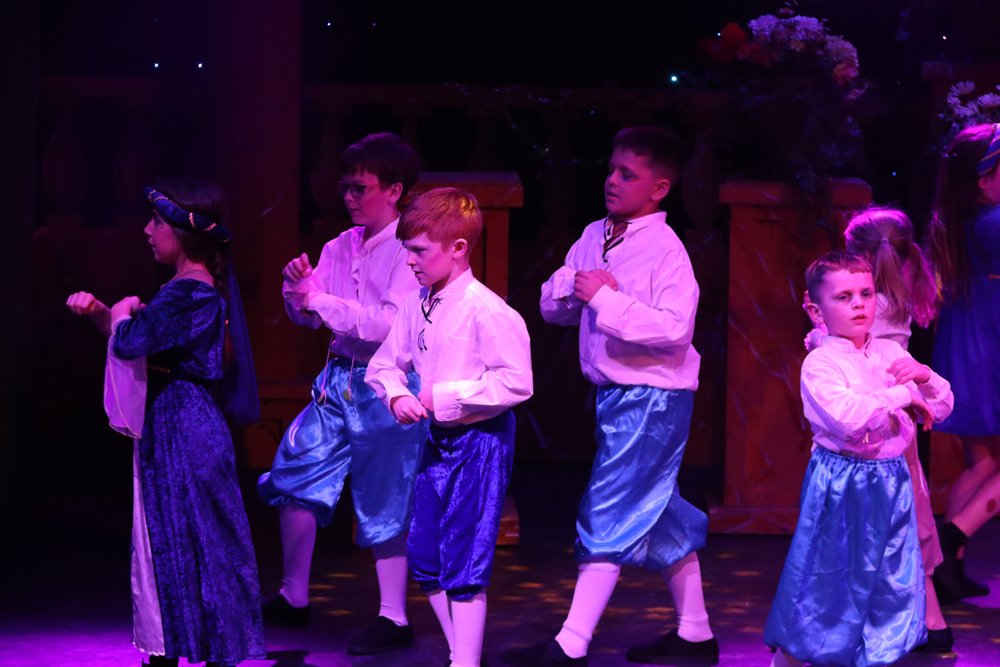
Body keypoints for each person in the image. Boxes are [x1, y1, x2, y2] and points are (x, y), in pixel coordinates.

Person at [503, 126, 717, 666]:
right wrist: (577, 288)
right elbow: (553, 305)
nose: (612, 180)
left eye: (628, 174)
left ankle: (571, 642)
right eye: (612, 169)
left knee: (608, 506)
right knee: (657, 511)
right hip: (615, 397)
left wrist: (605, 300)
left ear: (659, 188)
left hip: (653, 398)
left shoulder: (667, 250)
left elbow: (675, 329)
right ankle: (696, 633)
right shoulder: (593, 234)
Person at [66, 179, 265, 667]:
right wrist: (104, 313)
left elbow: (131, 339)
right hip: (175, 421)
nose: (147, 230)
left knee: (194, 537)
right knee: (176, 536)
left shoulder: (192, 293)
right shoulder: (181, 291)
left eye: (157, 222)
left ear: (184, 229)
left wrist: (121, 312)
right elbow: (138, 341)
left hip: (185, 427)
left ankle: (195, 649)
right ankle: (173, 645)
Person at [256, 132, 428, 654]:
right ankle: (294, 596)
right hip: (337, 379)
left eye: (361, 188)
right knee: (295, 470)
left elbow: (385, 325)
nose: (350, 197)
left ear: (394, 190)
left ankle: (394, 616)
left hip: (386, 383)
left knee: (385, 493)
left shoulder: (409, 249)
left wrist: (319, 300)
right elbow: (308, 318)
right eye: (345, 187)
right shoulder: (338, 246)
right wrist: (297, 292)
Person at [365, 187, 533, 667]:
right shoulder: (417, 303)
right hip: (438, 441)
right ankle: (462, 653)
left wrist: (442, 396)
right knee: (425, 556)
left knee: (463, 558)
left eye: (419, 251)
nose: (410, 261)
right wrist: (397, 394)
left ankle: (465, 661)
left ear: (457, 248)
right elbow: (384, 364)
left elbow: (516, 382)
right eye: (408, 250)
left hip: (480, 442)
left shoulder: (488, 311)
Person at [766, 251, 953, 667]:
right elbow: (847, 417)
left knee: (888, 582)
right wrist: (901, 395)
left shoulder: (888, 352)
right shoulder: (821, 363)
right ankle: (789, 659)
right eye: (844, 297)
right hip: (844, 481)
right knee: (828, 580)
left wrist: (924, 377)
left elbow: (941, 406)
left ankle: (873, 656)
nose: (858, 305)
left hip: (892, 480)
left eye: (866, 294)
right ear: (817, 310)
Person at [927, 123, 1000, 603]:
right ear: (984, 177)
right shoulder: (992, 221)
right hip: (988, 345)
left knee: (983, 462)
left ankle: (943, 565)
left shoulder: (962, 220)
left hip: (970, 343)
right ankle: (953, 534)